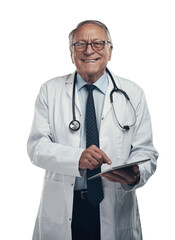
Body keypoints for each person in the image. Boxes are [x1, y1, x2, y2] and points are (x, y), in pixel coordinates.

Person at [27, 20, 158, 240]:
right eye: (80, 44)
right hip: (65, 209)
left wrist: (135, 174)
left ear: (110, 50)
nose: (89, 50)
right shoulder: (50, 91)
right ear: (71, 52)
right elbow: (36, 147)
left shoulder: (133, 93)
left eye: (98, 43)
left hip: (115, 208)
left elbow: (146, 152)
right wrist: (77, 158)